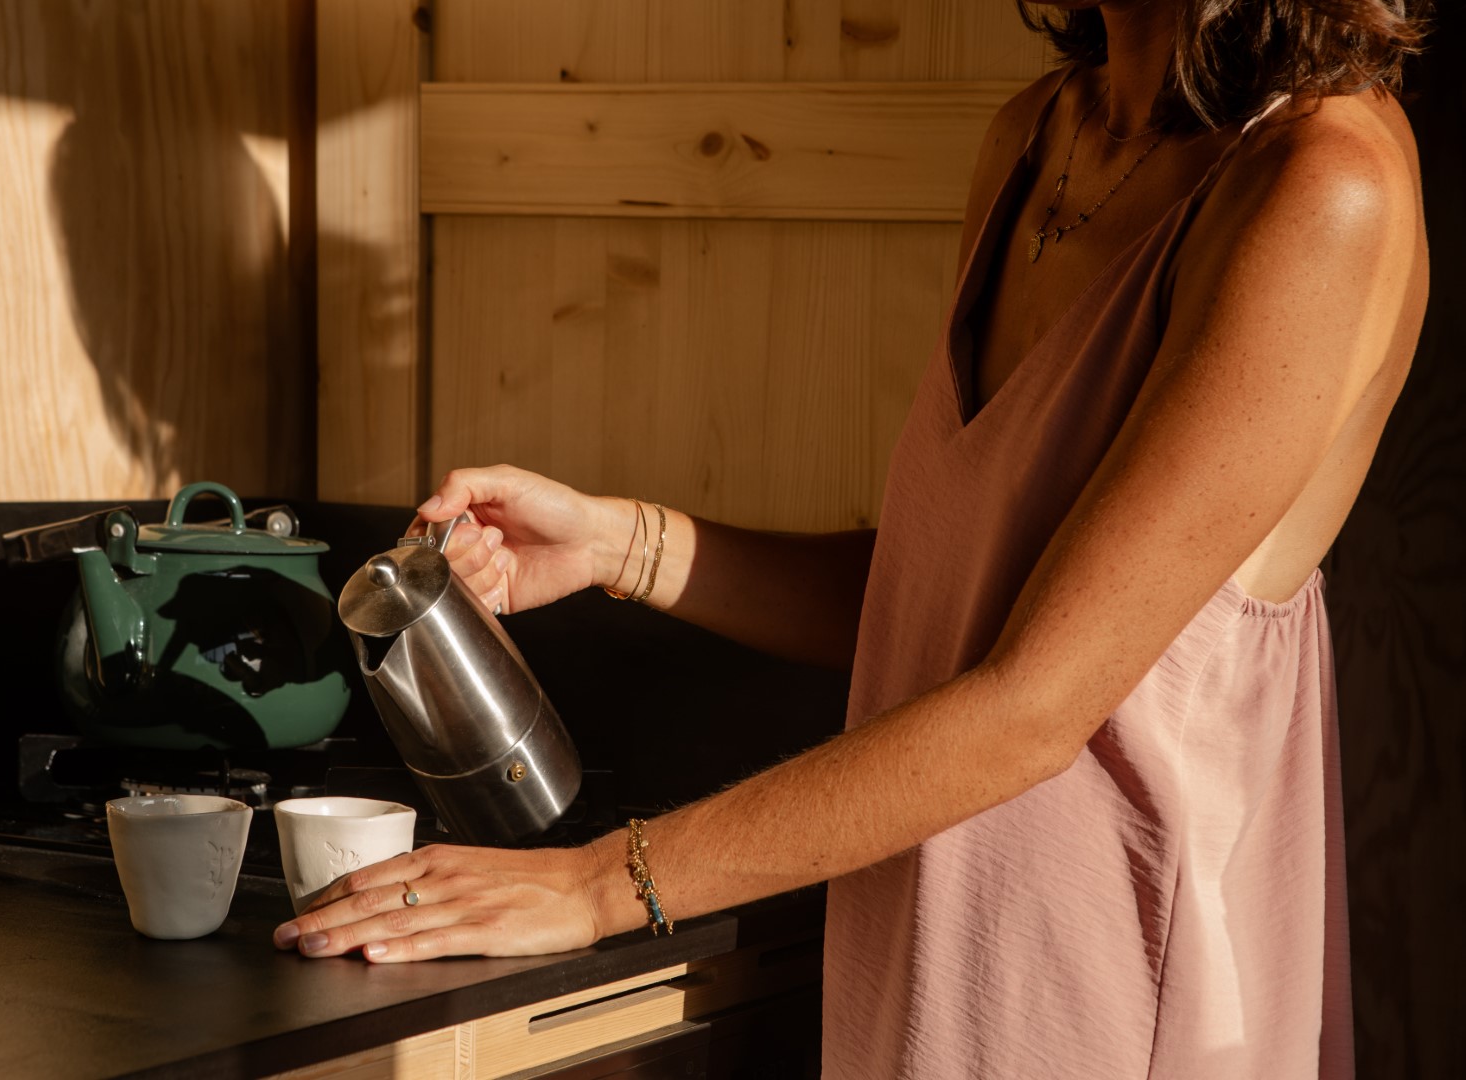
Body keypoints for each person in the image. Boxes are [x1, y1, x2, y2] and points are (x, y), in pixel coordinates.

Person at [274, 0, 1431, 1074]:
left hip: (1113, 988)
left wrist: (595, 887)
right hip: (915, 941)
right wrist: (625, 545)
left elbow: (1038, 699)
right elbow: (947, 596)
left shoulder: (1323, 187)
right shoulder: (1040, 135)